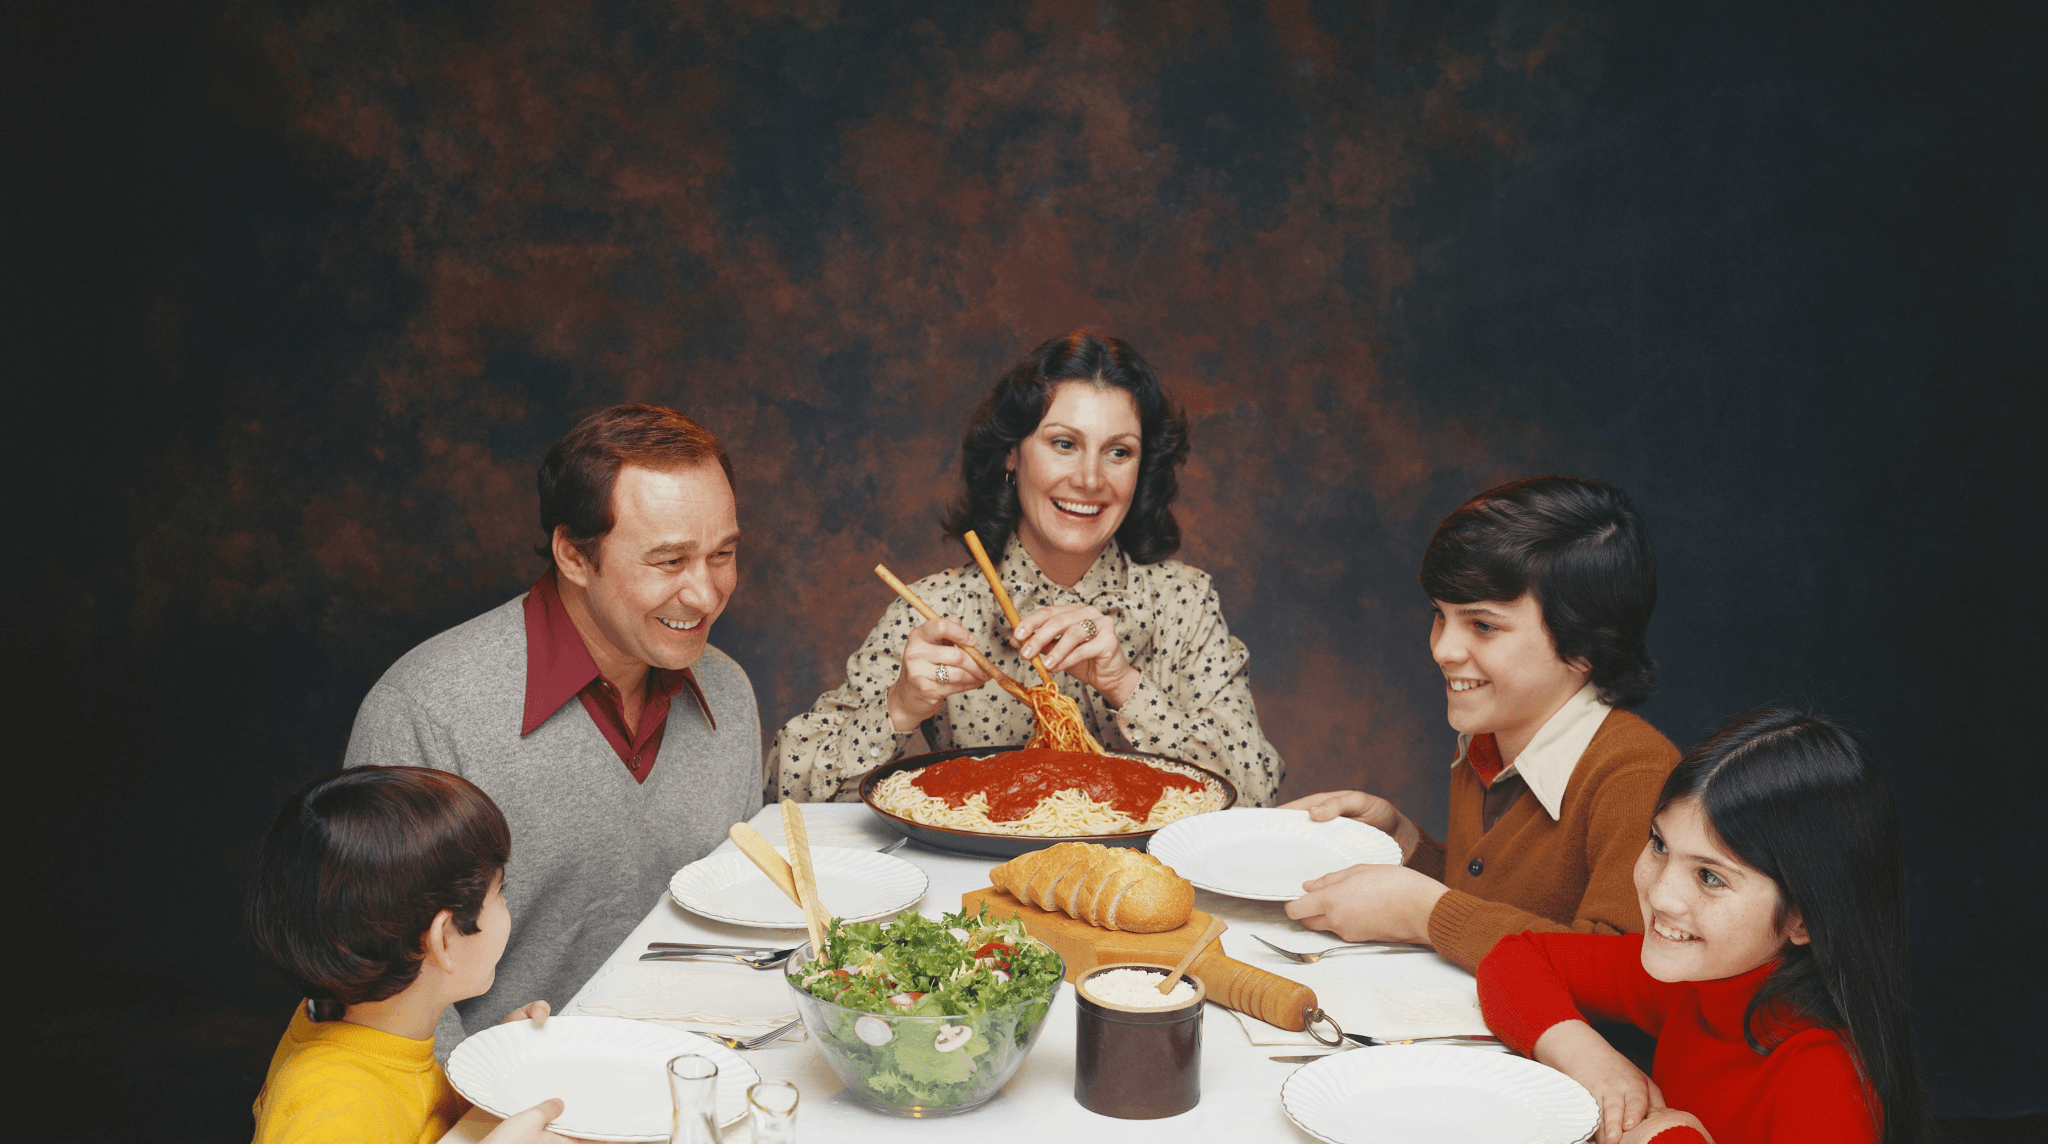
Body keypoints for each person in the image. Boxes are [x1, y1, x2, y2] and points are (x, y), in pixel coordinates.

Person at [1475, 709, 1932, 1144]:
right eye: (1660, 845)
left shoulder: (1827, 1065)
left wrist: (1666, 1141)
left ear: (1803, 917)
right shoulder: (1699, 977)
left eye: (1710, 877)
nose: (1662, 895)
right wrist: (1589, 1058)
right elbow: (1515, 958)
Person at [345, 405, 761, 1057]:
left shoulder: (729, 691)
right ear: (573, 553)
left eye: (723, 555)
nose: (706, 595)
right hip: (501, 1123)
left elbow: (736, 923)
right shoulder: (426, 710)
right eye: (670, 561)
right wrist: (490, 1110)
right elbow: (382, 989)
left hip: (697, 1082)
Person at [771, 330, 1284, 804]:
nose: (1089, 479)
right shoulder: (938, 609)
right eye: (1064, 444)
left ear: (1141, 467)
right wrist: (899, 707)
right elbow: (783, 790)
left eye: (1118, 452)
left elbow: (1258, 794)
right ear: (1011, 455)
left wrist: (1125, 684)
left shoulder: (1184, 602)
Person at [227, 766, 632, 1144]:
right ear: (446, 939)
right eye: (500, 894)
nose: (507, 909)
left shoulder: (350, 1019)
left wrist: (494, 1070)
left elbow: (401, 1126)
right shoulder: (328, 1082)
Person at [1284, 476, 1676, 971]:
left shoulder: (1636, 776)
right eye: (1440, 616)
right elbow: (1495, 899)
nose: (1444, 650)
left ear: (1582, 645)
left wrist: (1426, 914)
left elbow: (1625, 972)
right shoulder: (1485, 740)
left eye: (1483, 626)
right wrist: (1404, 844)